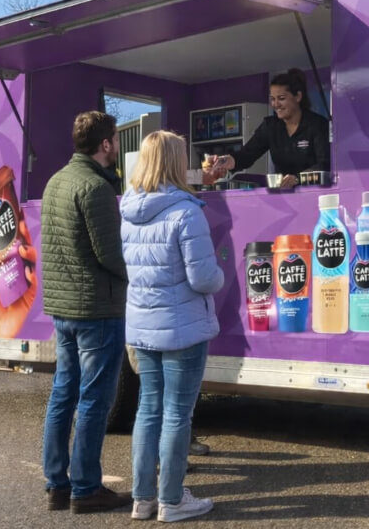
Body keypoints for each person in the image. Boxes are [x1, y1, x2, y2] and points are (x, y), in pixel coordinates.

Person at [120, 131, 224, 522]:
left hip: (142, 325)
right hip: (183, 328)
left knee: (148, 410)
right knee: (177, 414)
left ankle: (143, 499)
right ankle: (172, 500)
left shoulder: (128, 210)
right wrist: (221, 276)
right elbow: (203, 278)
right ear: (175, 162)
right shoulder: (186, 211)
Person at [40, 111, 131, 514]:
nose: (118, 146)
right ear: (106, 144)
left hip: (63, 308)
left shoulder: (56, 181)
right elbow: (111, 255)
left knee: (63, 393)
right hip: (96, 308)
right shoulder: (95, 188)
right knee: (94, 399)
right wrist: (140, 276)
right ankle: (86, 488)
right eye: (116, 139)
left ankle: (56, 485)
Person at [210, 68, 330, 188]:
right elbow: (248, 154)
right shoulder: (270, 126)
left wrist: (297, 178)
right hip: (283, 193)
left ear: (298, 96)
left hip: (315, 192)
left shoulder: (317, 124)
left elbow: (325, 164)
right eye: (272, 99)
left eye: (281, 98)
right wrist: (230, 160)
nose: (276, 104)